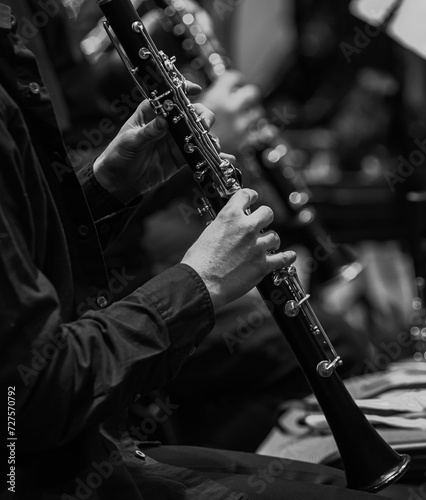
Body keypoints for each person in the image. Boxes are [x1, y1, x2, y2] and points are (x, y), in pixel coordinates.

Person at [0, 2, 390, 499]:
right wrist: (199, 281)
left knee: (340, 482)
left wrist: (106, 186)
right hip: (42, 470)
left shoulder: (21, 36)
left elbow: (32, 242)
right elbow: (33, 395)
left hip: (86, 436)